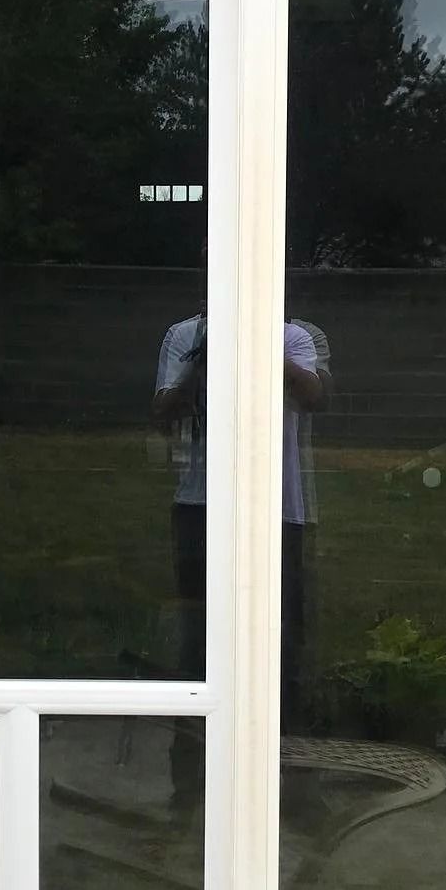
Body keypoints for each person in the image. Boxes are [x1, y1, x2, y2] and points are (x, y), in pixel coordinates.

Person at [152, 303, 326, 805]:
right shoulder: (183, 334)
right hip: (199, 503)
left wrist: (254, 344)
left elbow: (314, 396)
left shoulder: (293, 335)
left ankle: (287, 783)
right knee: (198, 640)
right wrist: (202, 359)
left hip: (277, 509)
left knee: (284, 640)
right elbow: (163, 413)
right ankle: (189, 785)